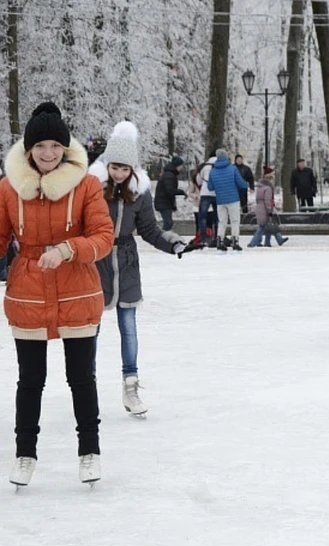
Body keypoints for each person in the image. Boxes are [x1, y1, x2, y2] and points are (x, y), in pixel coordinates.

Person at [0, 102, 114, 486]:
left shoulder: (86, 185)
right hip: (28, 293)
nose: (48, 153)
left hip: (77, 291)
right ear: (28, 150)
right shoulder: (8, 188)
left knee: (81, 377)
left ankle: (89, 452)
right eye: (40, 146)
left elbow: (103, 237)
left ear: (65, 148)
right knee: (30, 379)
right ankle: (24, 454)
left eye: (54, 145)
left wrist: (68, 249)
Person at [88, 122, 191, 417]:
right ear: (107, 165)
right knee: (90, 329)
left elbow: (149, 229)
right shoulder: (93, 191)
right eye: (115, 168)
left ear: (133, 170)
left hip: (128, 264)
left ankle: (130, 386)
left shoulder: (140, 193)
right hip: (98, 262)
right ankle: (87, 385)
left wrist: (172, 244)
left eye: (125, 169)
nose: (119, 174)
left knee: (128, 328)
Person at [206, 148, 249, 251]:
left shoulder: (212, 171)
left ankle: (219, 241)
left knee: (222, 222)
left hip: (220, 200)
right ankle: (235, 241)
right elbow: (241, 183)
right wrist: (246, 184)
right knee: (235, 221)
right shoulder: (232, 169)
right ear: (226, 157)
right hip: (233, 199)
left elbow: (210, 187)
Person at [248, 167, 287, 248]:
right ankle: (252, 243)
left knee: (268, 225)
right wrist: (269, 210)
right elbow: (267, 200)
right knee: (262, 227)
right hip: (265, 210)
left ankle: (268, 242)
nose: (273, 176)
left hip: (260, 208)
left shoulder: (260, 186)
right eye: (272, 174)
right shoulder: (268, 188)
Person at [154, 155, 186, 231]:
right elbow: (170, 190)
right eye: (181, 165)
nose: (182, 168)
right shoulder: (169, 175)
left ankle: (164, 237)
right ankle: (162, 238)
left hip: (164, 202)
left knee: (168, 222)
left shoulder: (169, 174)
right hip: (164, 202)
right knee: (168, 223)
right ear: (176, 166)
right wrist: (181, 192)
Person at [194, 152, 218, 246]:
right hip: (216, 194)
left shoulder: (205, 167)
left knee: (202, 216)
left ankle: (203, 238)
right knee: (217, 217)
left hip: (205, 193)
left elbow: (198, 180)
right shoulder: (220, 167)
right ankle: (217, 237)